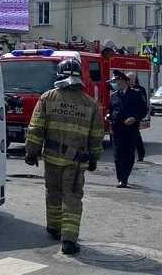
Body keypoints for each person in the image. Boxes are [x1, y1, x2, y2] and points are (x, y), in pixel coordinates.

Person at [24, 58, 104, 255]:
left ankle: (54, 227)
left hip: (51, 159)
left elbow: (35, 128)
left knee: (53, 192)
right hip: (75, 163)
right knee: (72, 198)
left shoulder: (47, 98)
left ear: (59, 74)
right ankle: (68, 240)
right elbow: (96, 135)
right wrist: (94, 158)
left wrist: (31, 152)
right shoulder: (90, 104)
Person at [107, 69, 148, 188]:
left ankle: (125, 177)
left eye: (117, 81)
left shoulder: (136, 94)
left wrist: (135, 118)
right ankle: (121, 178)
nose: (115, 84)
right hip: (117, 129)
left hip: (130, 130)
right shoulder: (114, 96)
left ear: (123, 81)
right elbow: (110, 110)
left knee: (129, 155)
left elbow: (143, 110)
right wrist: (108, 116)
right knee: (117, 155)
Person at [127, 72, 147, 162]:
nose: (129, 80)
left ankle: (141, 155)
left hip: (135, 117)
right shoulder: (125, 89)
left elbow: (143, 105)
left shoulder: (140, 90)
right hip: (125, 117)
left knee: (136, 136)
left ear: (135, 79)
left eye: (131, 79)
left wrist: (137, 116)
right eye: (128, 79)